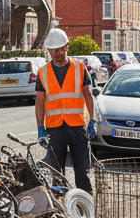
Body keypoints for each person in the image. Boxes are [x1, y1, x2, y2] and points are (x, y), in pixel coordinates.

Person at [34, 28, 97, 193]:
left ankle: (85, 202)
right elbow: (40, 102)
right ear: (48, 50)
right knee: (56, 173)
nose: (57, 54)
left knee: (82, 172)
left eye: (60, 49)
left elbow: (88, 95)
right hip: (55, 129)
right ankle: (60, 202)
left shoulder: (79, 67)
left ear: (67, 47)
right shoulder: (43, 72)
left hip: (78, 128)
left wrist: (93, 120)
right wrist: (40, 128)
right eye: (53, 50)